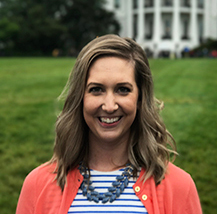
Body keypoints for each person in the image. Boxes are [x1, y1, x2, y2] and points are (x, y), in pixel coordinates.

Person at [16, 34, 202, 214]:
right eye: (96, 90)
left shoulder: (178, 186)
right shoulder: (37, 185)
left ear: (139, 98)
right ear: (80, 98)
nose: (110, 106)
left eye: (123, 90)